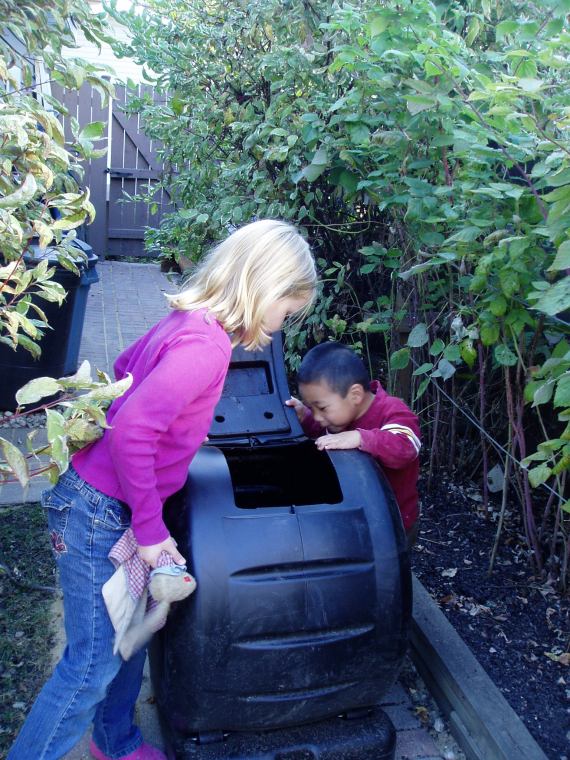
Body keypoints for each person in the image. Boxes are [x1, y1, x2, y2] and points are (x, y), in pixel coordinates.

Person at [9, 220, 317, 760]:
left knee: (128, 636)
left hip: (113, 505)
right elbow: (131, 431)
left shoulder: (187, 321)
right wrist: (150, 533)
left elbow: (125, 371)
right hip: (99, 514)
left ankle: (117, 741)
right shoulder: (209, 348)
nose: (279, 326)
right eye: (286, 310)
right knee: (90, 662)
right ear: (263, 286)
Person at [286, 341, 420, 545]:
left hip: (391, 526)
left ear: (355, 395)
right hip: (353, 518)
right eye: (312, 408)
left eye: (321, 408)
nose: (319, 417)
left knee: (385, 574)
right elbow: (324, 430)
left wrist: (361, 437)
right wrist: (304, 416)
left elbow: (405, 447)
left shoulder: (392, 412)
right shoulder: (340, 416)